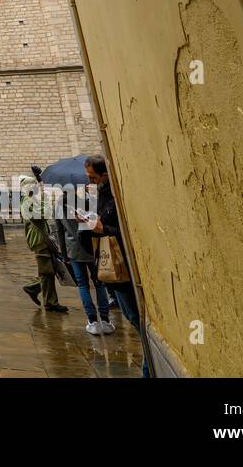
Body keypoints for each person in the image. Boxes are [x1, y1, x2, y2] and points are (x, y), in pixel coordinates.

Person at [83, 154, 149, 376]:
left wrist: (102, 229)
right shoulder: (97, 195)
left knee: (135, 317)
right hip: (110, 267)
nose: (90, 181)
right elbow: (95, 230)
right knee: (131, 316)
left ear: (104, 175)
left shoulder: (115, 196)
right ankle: (148, 366)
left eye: (93, 177)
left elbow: (124, 232)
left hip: (123, 266)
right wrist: (87, 221)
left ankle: (148, 369)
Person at [60, 181, 113, 335]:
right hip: (91, 247)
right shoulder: (87, 201)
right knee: (99, 283)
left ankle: (92, 321)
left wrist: (64, 254)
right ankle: (105, 320)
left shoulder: (58, 206)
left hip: (74, 251)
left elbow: (59, 232)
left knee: (83, 285)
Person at [19, 175, 68, 313]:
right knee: (47, 272)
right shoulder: (27, 202)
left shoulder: (32, 199)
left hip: (43, 239)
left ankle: (48, 300)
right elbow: (45, 214)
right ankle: (40, 294)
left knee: (49, 271)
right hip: (39, 240)